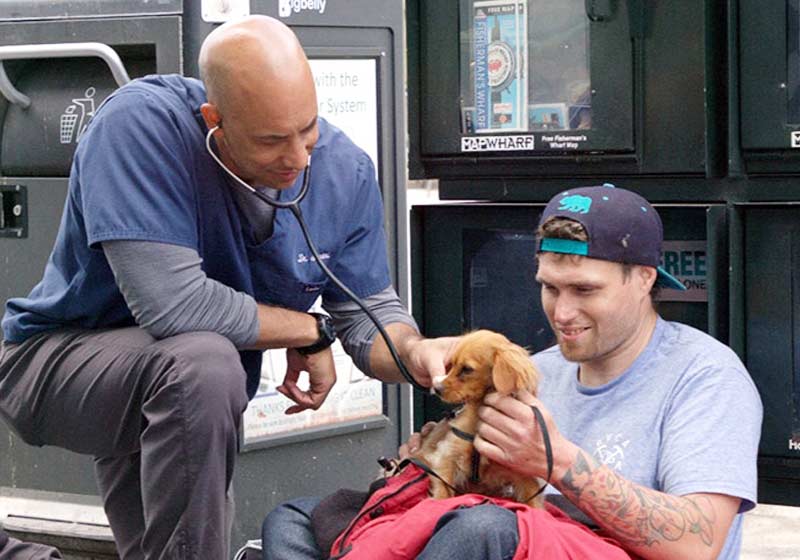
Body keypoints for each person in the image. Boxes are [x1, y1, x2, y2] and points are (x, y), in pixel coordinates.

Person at [0, 15, 454, 560]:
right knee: (205, 364)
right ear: (214, 119)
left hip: (179, 399)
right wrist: (310, 330)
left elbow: (367, 313)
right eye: (271, 140)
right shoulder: (141, 126)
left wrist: (414, 351)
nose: (297, 158)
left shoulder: (343, 172)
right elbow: (174, 306)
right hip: (57, 364)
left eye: (308, 130)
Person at [262, 185, 762, 560]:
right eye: (550, 287)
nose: (561, 312)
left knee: (481, 530)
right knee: (299, 519)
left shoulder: (705, 377)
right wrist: (438, 464)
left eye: (584, 290)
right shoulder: (534, 371)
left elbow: (700, 543)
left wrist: (558, 463)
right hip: (514, 540)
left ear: (644, 279)